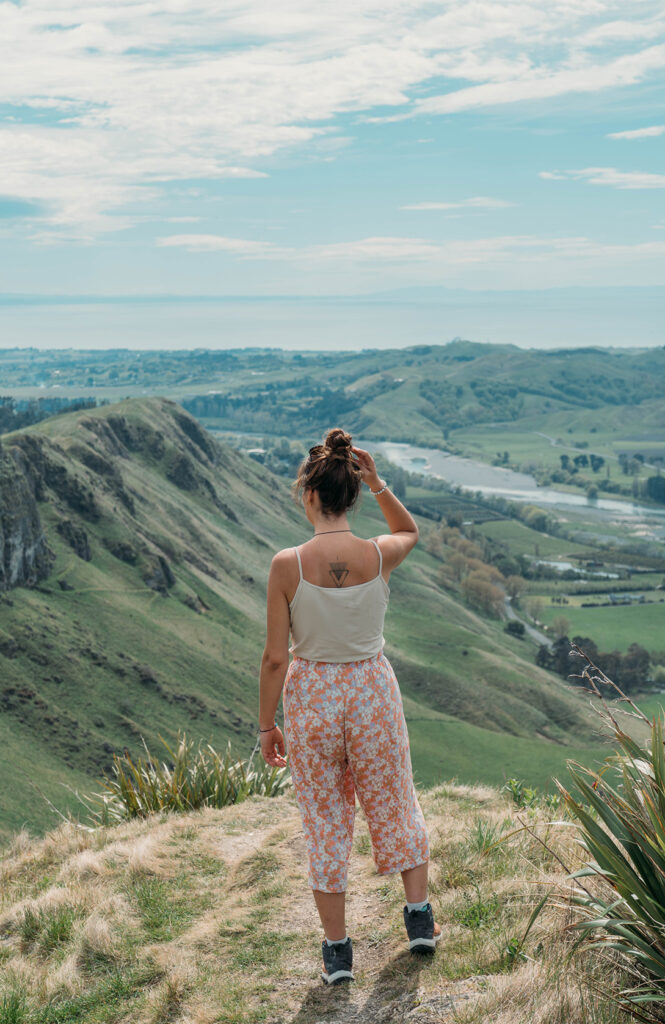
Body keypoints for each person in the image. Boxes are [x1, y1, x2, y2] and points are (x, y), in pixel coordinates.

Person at [258, 427, 441, 986]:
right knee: (394, 798)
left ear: (308, 495)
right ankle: (419, 921)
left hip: (311, 695)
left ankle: (337, 953)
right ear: (353, 494)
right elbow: (409, 529)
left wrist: (267, 725)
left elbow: (272, 659)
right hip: (371, 690)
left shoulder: (286, 564)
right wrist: (381, 484)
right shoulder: (377, 555)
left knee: (325, 819)